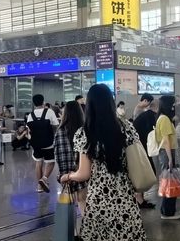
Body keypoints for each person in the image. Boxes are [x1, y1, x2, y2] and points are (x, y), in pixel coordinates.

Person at [60, 84, 147, 240]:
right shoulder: (127, 127)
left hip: (98, 202)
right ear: (111, 102)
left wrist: (68, 176)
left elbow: (84, 174)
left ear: (90, 105)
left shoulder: (84, 133)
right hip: (125, 198)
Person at [54, 101, 87, 240]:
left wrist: (63, 173)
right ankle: (89, 229)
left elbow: (57, 153)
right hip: (82, 171)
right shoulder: (84, 130)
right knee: (83, 200)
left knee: (70, 202)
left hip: (66, 173)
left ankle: (74, 233)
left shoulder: (60, 131)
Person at [27, 94, 59, 193]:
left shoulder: (30, 115)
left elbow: (29, 129)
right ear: (43, 101)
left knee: (38, 163)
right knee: (51, 162)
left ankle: (39, 187)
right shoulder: (49, 112)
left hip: (36, 144)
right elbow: (56, 126)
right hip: (48, 143)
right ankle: (44, 179)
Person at [155, 95, 180, 220]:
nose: (174, 107)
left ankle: (168, 209)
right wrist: (170, 158)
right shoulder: (164, 119)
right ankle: (167, 211)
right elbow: (166, 140)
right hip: (166, 153)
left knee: (168, 181)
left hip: (165, 153)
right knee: (169, 182)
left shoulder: (162, 118)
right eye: (173, 104)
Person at [133, 99, 159, 208]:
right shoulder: (152, 116)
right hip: (142, 147)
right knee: (147, 171)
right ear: (156, 108)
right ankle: (139, 198)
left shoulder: (143, 115)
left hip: (138, 147)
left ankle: (139, 197)